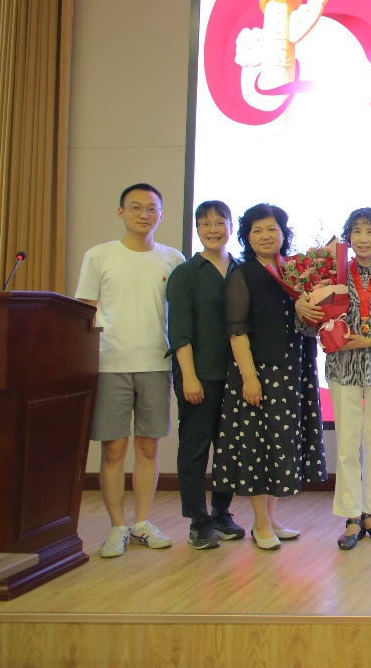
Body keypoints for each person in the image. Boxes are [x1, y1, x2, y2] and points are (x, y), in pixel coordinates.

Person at [76, 183, 185, 558]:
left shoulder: (173, 259)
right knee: (113, 449)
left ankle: (141, 523)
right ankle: (117, 526)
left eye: (151, 208)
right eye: (136, 207)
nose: (144, 214)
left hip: (156, 364)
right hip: (110, 365)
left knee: (148, 447)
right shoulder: (99, 256)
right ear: (120, 212)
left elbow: (182, 314)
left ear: (161, 215)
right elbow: (84, 311)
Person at [214, 203, 327, 550]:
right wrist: (249, 378)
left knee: (280, 446)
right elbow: (237, 332)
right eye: (257, 230)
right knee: (257, 449)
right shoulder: (243, 274)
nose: (266, 236)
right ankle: (260, 524)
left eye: (272, 229)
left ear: (283, 233)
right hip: (260, 372)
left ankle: (272, 518)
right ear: (247, 237)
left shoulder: (295, 272)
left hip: (294, 370)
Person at [305, 208, 371, 551]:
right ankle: (350, 516)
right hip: (343, 367)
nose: (363, 238)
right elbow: (311, 323)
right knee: (348, 444)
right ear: (348, 237)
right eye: (357, 231)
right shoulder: (331, 274)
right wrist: (307, 311)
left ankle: (370, 512)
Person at [166, 199, 246, 550]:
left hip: (237, 375)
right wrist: (189, 377)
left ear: (231, 227)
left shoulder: (241, 269)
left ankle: (221, 513)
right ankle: (198, 521)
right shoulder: (186, 273)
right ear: (197, 229)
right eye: (205, 223)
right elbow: (179, 331)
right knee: (195, 448)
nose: (213, 229)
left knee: (228, 449)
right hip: (199, 374)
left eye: (220, 222)